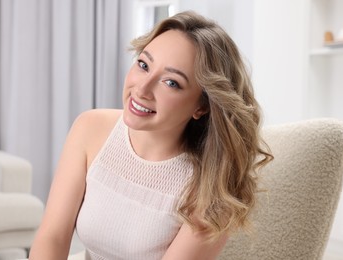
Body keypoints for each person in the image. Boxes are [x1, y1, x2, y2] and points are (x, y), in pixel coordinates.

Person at [29, 10, 273, 260]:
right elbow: (53, 236)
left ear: (201, 106)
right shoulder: (90, 128)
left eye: (171, 83)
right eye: (144, 65)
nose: (142, 89)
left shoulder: (211, 188)